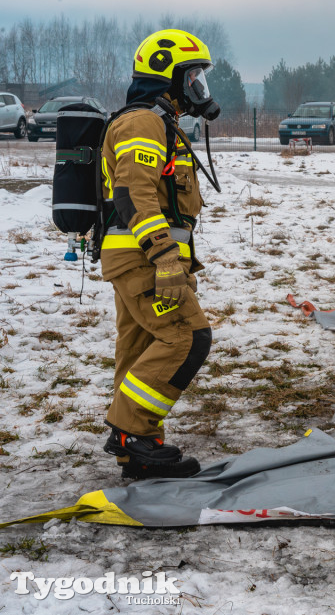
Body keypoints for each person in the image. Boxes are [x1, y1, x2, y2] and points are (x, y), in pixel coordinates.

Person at [99, 29, 222, 479]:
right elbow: (134, 195)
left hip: (135, 258)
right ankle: (130, 431)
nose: (198, 88)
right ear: (166, 77)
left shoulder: (159, 122)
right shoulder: (143, 123)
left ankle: (139, 448)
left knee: (139, 349)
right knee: (187, 337)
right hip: (144, 259)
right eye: (192, 77)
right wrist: (166, 257)